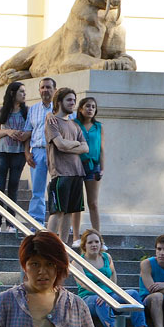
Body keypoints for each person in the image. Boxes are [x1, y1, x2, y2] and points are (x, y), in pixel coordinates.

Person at [76, 230, 152, 327]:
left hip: (109, 295)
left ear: (101, 244)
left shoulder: (107, 257)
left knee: (133, 294)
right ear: (84, 245)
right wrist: (102, 294)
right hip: (88, 298)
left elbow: (113, 275)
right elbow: (83, 283)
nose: (94, 245)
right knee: (99, 301)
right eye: (90, 242)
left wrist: (111, 293)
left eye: (97, 241)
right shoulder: (77, 261)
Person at [0, 82, 32, 232]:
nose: (24, 94)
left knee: (13, 188)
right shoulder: (2, 110)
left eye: (25, 91)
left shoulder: (27, 111)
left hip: (18, 154)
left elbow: (30, 132)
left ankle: (11, 223)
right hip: (2, 153)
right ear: (12, 93)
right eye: (21, 92)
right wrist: (7, 132)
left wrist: (26, 145)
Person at [45, 87, 88, 245]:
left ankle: (63, 246)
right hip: (60, 173)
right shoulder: (52, 121)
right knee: (57, 211)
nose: (73, 103)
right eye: (69, 100)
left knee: (70, 211)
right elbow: (60, 145)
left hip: (77, 172)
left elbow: (86, 148)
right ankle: (48, 245)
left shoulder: (75, 125)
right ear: (59, 102)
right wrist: (76, 144)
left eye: (74, 100)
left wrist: (73, 145)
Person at [24, 77, 58, 225]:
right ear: (39, 90)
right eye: (43, 87)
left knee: (58, 188)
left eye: (48, 87)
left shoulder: (60, 109)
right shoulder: (33, 109)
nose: (45, 90)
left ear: (55, 90)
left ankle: (60, 222)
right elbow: (28, 132)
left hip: (57, 152)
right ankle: (36, 223)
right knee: (37, 190)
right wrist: (27, 152)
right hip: (37, 151)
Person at [74, 97, 104, 236]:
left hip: (93, 166)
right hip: (76, 165)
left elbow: (101, 148)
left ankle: (98, 236)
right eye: (87, 106)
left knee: (93, 203)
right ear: (81, 108)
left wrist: (102, 168)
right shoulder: (74, 124)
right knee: (76, 204)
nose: (90, 109)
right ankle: (75, 236)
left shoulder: (99, 126)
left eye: (93, 106)